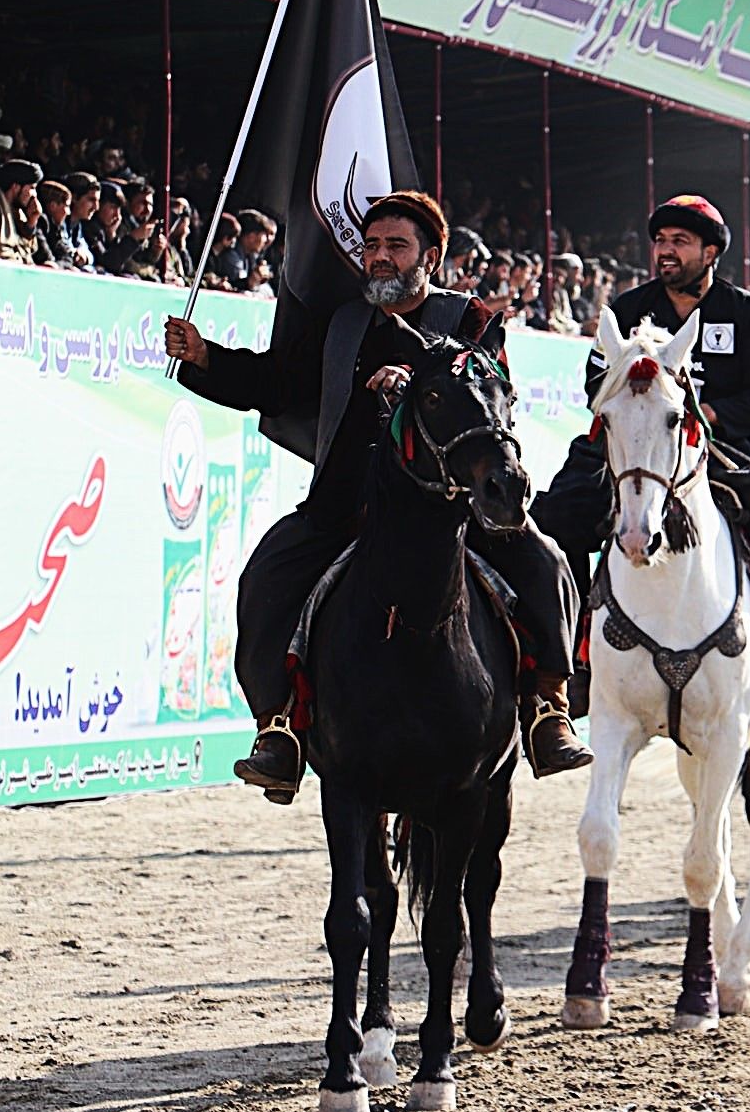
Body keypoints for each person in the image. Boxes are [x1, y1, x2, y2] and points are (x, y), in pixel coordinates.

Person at [161, 190, 587, 801]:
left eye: (396, 246)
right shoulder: (342, 323)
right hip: (347, 503)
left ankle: (548, 708)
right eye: (372, 246)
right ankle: (278, 728)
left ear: (430, 258)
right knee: (268, 576)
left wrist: (419, 384)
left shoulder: (471, 321)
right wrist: (205, 357)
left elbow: (485, 381)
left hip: (453, 508)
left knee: (545, 563)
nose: (379, 258)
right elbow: (278, 383)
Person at [539, 194, 750, 713]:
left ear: (711, 251)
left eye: (680, 241)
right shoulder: (625, 310)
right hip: (631, 442)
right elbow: (592, 381)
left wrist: (703, 416)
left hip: (725, 446)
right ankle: (567, 663)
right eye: (660, 241)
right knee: (554, 515)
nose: (666, 251)